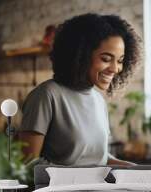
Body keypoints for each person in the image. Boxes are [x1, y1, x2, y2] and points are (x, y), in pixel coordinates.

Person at [18, 13, 141, 166]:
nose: (115, 68)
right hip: (61, 190)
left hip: (97, 189)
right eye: (106, 59)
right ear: (80, 55)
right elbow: (27, 164)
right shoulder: (47, 95)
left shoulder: (98, 100)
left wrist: (132, 168)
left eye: (120, 61)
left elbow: (97, 159)